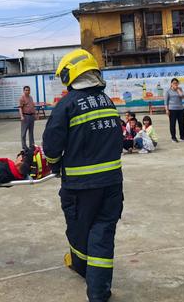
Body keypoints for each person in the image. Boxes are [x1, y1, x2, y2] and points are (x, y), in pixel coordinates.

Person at [42, 49, 123, 302]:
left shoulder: (68, 104)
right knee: (102, 234)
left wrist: (54, 165)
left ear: (71, 74)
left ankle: (81, 268)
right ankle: (99, 292)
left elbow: (52, 145)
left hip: (80, 187)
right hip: (112, 184)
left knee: (79, 232)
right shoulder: (108, 101)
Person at [165, 78, 184, 142]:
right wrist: (167, 110)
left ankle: (182, 137)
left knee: (181, 124)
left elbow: (183, 96)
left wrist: (178, 90)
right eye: (174, 83)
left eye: (176, 83)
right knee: (172, 124)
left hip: (181, 109)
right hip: (172, 110)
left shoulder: (179, 89)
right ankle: (173, 137)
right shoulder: (168, 91)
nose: (175, 84)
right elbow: (166, 102)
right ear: (171, 84)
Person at [18, 86, 38, 151]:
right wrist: (21, 116)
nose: (27, 91)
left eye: (28, 90)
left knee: (31, 132)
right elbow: (20, 108)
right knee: (23, 133)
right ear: (23, 91)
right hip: (25, 117)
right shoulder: (22, 98)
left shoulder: (31, 98)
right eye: (26, 90)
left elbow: (33, 107)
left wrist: (35, 114)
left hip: (31, 116)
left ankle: (31, 145)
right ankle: (24, 146)